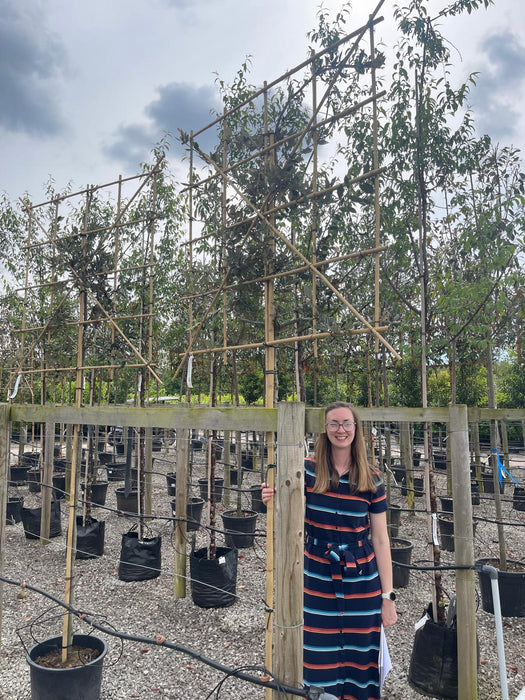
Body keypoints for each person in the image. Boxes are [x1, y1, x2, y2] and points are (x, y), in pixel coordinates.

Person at [262, 401, 397, 700]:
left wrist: (387, 597)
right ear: (325, 429)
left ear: (356, 428)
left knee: (361, 654)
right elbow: (289, 512)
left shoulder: (372, 479)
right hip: (317, 576)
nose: (341, 430)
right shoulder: (307, 471)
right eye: (334, 424)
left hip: (361, 580)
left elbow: (381, 540)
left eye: (347, 423)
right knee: (316, 651)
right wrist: (273, 498)